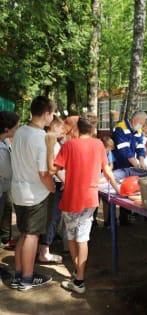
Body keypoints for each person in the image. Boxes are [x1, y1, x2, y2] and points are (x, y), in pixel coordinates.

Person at [46, 113, 119, 294]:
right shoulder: (99, 145)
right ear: (94, 129)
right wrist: (118, 189)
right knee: (83, 238)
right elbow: (107, 170)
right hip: (90, 199)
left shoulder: (69, 145)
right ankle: (79, 277)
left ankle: (78, 276)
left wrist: (49, 147)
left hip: (71, 198)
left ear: (78, 128)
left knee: (71, 236)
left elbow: (51, 169)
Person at [10, 96, 56, 291]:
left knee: (24, 233)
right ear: (46, 114)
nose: (52, 118)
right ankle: (27, 278)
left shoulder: (20, 131)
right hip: (34, 194)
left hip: (18, 191)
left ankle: (19, 274)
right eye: (52, 114)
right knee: (32, 236)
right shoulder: (40, 138)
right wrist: (52, 187)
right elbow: (44, 173)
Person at [38, 115, 65, 263]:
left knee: (50, 217)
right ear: (54, 126)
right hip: (54, 184)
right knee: (53, 217)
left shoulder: (48, 140)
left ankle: (43, 248)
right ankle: (44, 251)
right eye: (61, 127)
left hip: (49, 184)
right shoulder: (52, 143)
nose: (63, 131)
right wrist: (65, 180)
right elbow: (55, 167)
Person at [112, 111, 147, 225]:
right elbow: (124, 150)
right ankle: (114, 219)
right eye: (141, 122)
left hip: (131, 164)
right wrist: (136, 165)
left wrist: (141, 161)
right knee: (118, 190)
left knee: (131, 188)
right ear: (134, 120)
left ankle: (127, 216)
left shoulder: (138, 129)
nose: (142, 125)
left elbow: (141, 146)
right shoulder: (120, 128)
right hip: (119, 164)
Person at [0, 111, 19, 250]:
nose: (17, 129)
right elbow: (8, 172)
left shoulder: (4, 142)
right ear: (7, 128)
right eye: (16, 127)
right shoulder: (1, 149)